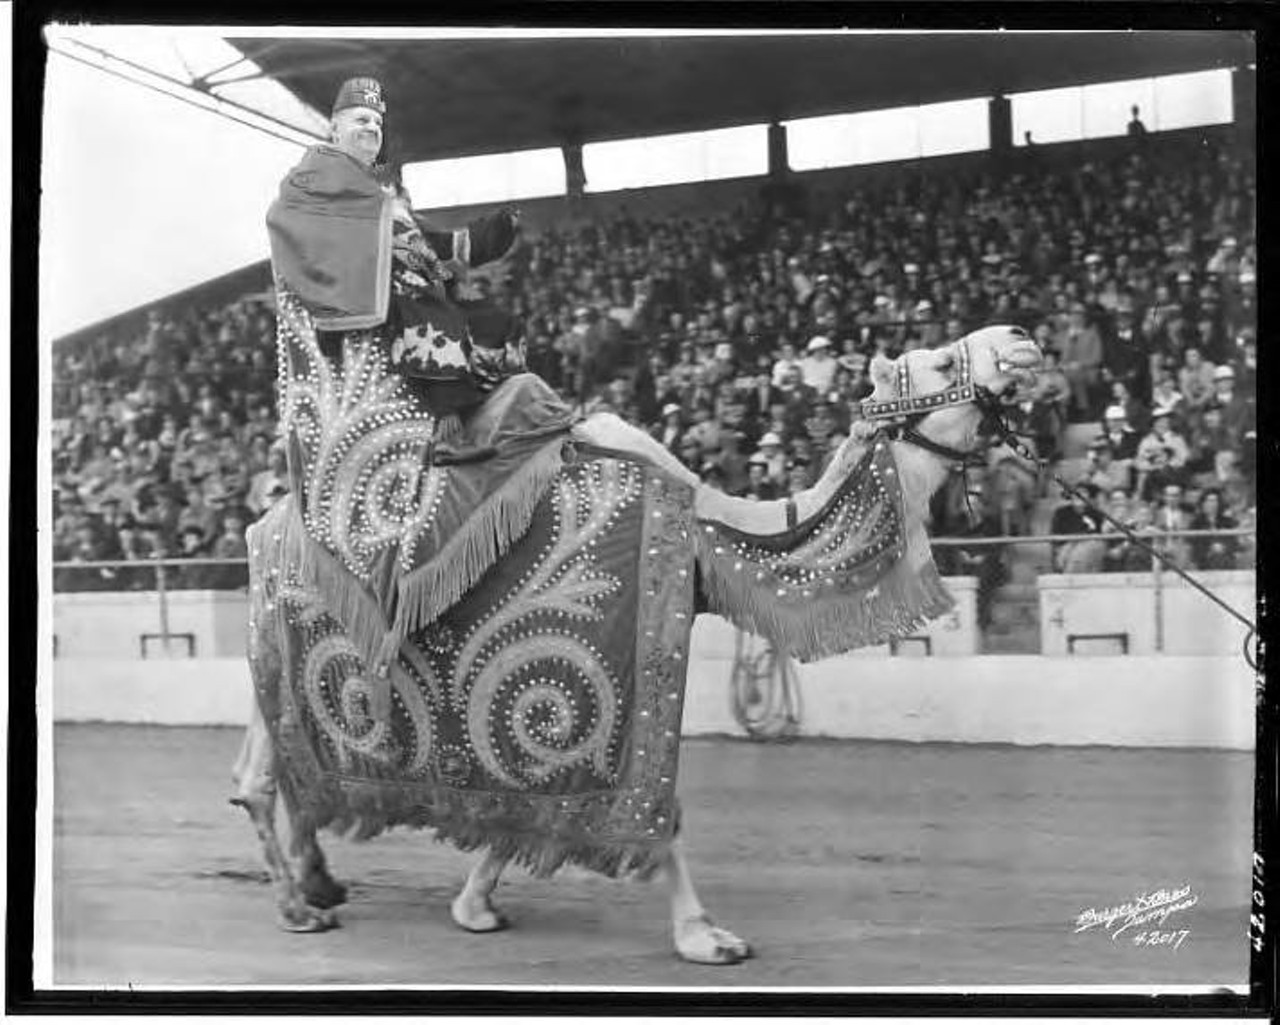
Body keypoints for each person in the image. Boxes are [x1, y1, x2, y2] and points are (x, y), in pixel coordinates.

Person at [1188, 489, 1238, 571]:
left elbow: (1233, 541)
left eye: (1215, 501)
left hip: (1225, 558)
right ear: (1203, 503)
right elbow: (1194, 543)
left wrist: (1223, 547)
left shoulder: (1229, 521)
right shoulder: (1195, 523)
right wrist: (1210, 548)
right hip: (1203, 560)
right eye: (1209, 501)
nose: (1212, 504)